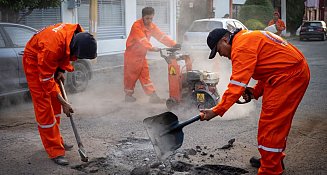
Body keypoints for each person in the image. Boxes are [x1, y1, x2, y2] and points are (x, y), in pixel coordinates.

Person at [201, 28, 310, 174]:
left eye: (218, 50)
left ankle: (270, 169)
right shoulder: (246, 38)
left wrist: (216, 111)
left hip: (288, 77)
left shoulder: (241, 47)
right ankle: (271, 160)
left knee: (271, 126)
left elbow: (236, 86)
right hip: (286, 74)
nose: (221, 55)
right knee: (274, 125)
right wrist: (255, 92)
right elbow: (271, 67)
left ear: (225, 40)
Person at [23, 23, 97, 166]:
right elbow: (45, 79)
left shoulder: (77, 35)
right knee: (44, 107)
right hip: (34, 60)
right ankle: (54, 150)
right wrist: (65, 103)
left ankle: (57, 139)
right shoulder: (52, 47)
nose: (76, 58)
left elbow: (65, 52)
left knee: (55, 103)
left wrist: (61, 69)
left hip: (50, 58)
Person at [124, 7, 180, 103]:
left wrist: (173, 44)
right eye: (147, 18)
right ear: (142, 17)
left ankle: (153, 96)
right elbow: (142, 40)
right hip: (132, 56)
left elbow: (161, 36)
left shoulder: (151, 26)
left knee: (145, 76)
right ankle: (128, 95)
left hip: (141, 55)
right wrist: (152, 48)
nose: (149, 21)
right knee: (131, 76)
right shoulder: (136, 26)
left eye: (151, 18)